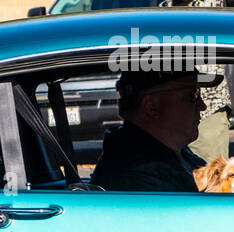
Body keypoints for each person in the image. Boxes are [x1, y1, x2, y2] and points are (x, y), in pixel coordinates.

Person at [160, 0, 234, 162]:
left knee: (210, 175)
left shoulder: (215, 5)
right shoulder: (163, 9)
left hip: (208, 108)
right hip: (173, 109)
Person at [91, 68, 219, 192]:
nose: (203, 106)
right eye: (192, 96)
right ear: (152, 107)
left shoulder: (171, 154)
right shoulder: (138, 176)